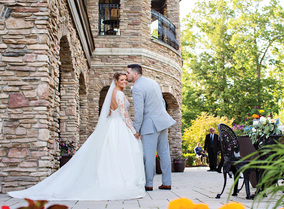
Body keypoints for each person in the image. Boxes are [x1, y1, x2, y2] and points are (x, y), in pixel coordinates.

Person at [8, 73, 146, 200]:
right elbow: (124, 114)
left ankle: (109, 177)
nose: (124, 82)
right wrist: (133, 129)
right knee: (121, 152)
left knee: (111, 152)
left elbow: (110, 113)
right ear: (116, 81)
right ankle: (119, 180)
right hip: (119, 126)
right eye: (121, 80)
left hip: (112, 125)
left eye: (125, 80)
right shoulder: (120, 95)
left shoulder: (113, 94)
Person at [127, 64, 176, 191]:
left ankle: (148, 184)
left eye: (128, 73)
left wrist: (136, 129)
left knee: (149, 156)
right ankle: (167, 182)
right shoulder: (153, 82)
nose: (127, 75)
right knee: (164, 153)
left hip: (150, 124)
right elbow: (162, 102)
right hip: (163, 121)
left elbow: (139, 111)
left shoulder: (137, 87)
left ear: (135, 74)